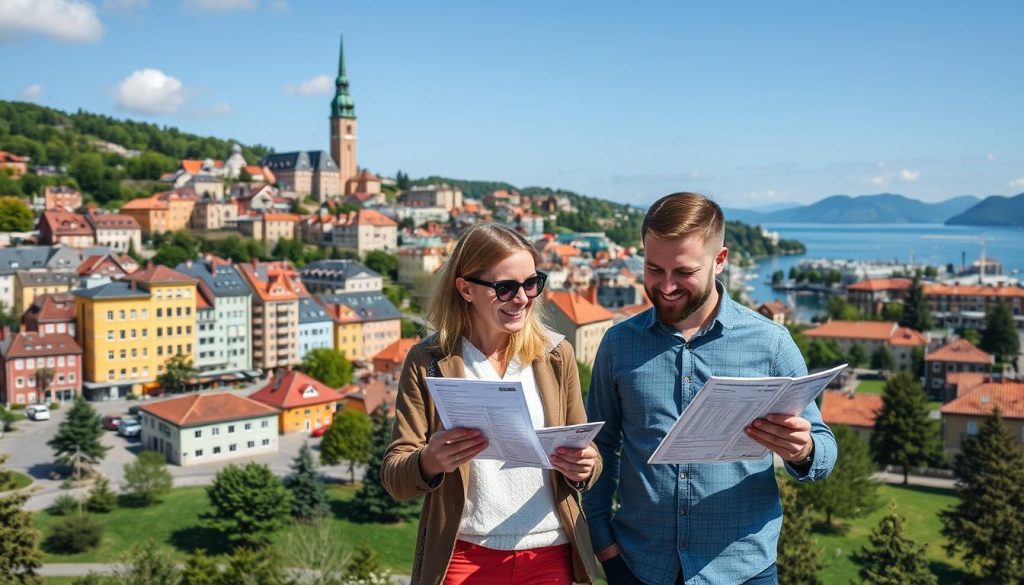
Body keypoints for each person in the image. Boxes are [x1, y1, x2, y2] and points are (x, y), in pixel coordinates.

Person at [584, 192, 838, 585]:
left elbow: (824, 449)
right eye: (654, 269)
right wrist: (604, 547)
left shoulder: (771, 343)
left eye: (683, 272)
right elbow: (599, 447)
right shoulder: (618, 344)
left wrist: (803, 451)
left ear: (720, 260)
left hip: (743, 571)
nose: (666, 287)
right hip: (638, 567)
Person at [382, 222, 602, 585]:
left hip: (548, 551)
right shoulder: (430, 360)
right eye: (505, 288)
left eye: (531, 283)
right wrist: (429, 461)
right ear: (466, 288)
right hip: (465, 554)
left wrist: (585, 467)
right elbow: (395, 477)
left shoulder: (555, 354)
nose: (522, 299)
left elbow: (587, 455)